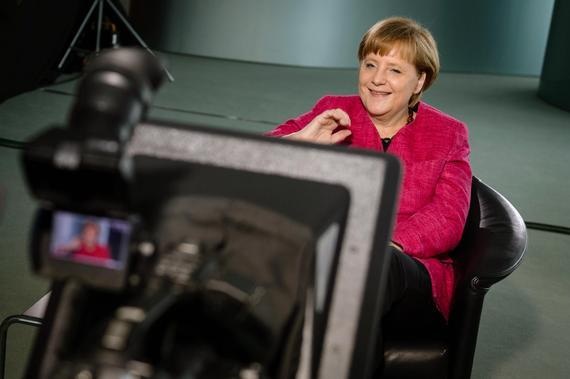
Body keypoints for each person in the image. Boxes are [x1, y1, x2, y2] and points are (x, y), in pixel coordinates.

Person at [266, 16, 472, 371]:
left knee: (371, 266)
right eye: (370, 64)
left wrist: (378, 246)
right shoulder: (332, 110)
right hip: (324, 260)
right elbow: (242, 160)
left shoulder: (448, 133)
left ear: (419, 80)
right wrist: (300, 142)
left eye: (394, 70)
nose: (377, 79)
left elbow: (448, 217)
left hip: (407, 269)